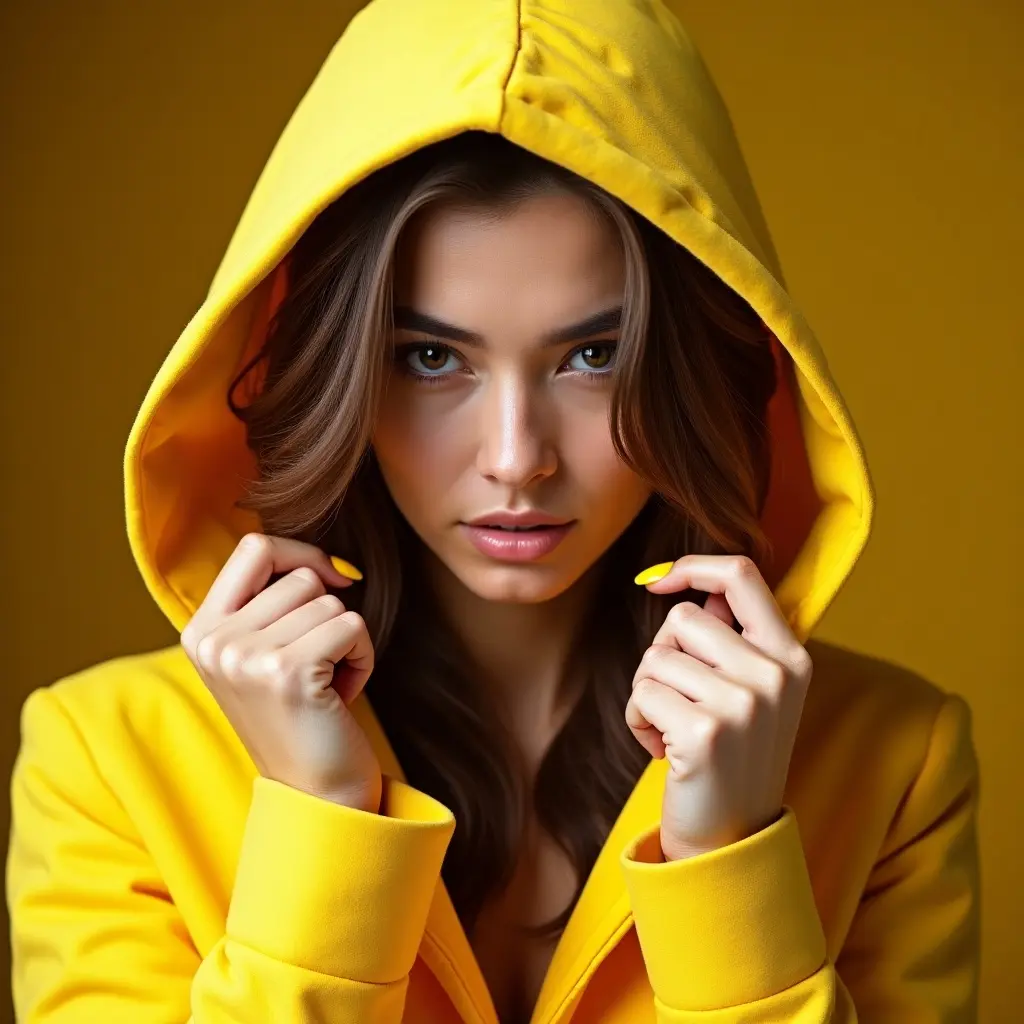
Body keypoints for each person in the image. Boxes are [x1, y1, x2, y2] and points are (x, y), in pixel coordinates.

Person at [6, 1, 981, 1022]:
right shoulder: (106, 760)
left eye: (592, 355)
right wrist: (320, 825)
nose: (517, 458)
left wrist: (729, 862)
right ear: (344, 373)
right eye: (432, 358)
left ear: (691, 365)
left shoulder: (893, 761)